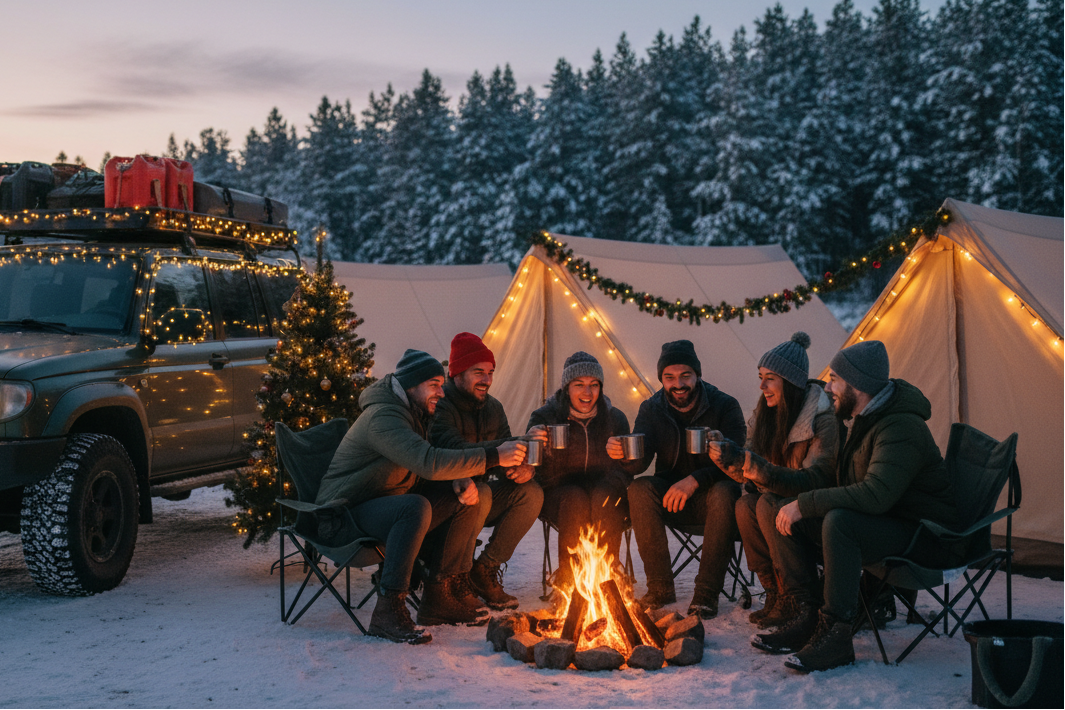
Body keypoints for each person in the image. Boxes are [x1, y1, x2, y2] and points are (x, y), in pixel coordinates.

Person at [751, 340, 961, 672]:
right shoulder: (864, 418)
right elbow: (843, 482)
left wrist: (807, 504)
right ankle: (808, 613)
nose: (828, 387)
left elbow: (875, 494)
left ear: (857, 385)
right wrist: (793, 499)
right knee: (780, 508)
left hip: (925, 539)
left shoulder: (900, 426)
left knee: (839, 522)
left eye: (835, 379)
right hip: (890, 523)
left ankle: (835, 636)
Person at [315, 349, 527, 643]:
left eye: (442, 384)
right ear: (411, 385)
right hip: (342, 516)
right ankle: (388, 610)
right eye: (434, 385)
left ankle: (441, 594)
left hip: (380, 504)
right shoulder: (384, 416)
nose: (441, 393)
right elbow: (426, 460)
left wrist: (458, 477)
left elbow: (427, 465)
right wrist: (493, 456)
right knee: (413, 507)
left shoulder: (414, 413)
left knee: (466, 494)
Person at [705, 332, 839, 629]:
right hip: (777, 502)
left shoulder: (821, 418)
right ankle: (775, 592)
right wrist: (727, 459)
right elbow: (751, 469)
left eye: (770, 379)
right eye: (761, 377)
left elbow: (817, 479)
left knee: (766, 503)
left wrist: (761, 470)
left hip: (814, 510)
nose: (762, 386)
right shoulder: (766, 414)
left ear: (790, 383)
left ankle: (800, 596)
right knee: (745, 504)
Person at [608, 340, 746, 618]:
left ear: (697, 375)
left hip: (713, 499)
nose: (678, 384)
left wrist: (694, 479)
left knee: (724, 491)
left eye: (685, 376)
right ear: (661, 379)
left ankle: (706, 594)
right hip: (672, 498)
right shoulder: (652, 409)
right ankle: (660, 587)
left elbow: (738, 462)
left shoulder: (725, 406)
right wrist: (622, 454)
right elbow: (640, 463)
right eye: (669, 377)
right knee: (639, 488)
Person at [428, 332, 545, 610]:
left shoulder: (493, 407)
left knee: (530, 492)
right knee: (482, 492)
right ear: (456, 373)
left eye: (490, 372)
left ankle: (484, 570)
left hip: (483, 493)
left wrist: (523, 466)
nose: (487, 380)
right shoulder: (440, 405)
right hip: (447, 497)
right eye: (478, 372)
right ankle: (455, 579)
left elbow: (503, 459)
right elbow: (452, 449)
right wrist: (508, 447)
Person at [527, 351, 638, 591]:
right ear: (567, 387)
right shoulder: (545, 417)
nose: (587, 393)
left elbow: (627, 472)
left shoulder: (615, 418)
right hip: (560, 493)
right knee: (575, 498)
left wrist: (623, 461)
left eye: (594, 385)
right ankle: (568, 579)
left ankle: (609, 575)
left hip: (605, 491)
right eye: (579, 385)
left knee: (605, 496)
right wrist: (538, 449)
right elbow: (534, 473)